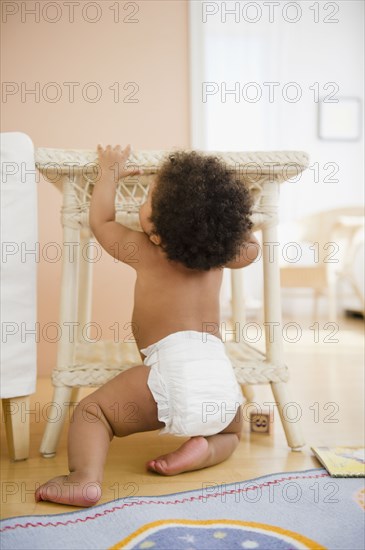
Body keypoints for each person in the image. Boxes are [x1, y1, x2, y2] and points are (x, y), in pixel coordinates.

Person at [35, 144, 260, 507]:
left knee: (94, 413)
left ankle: (84, 478)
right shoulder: (223, 256)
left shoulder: (145, 250)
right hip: (219, 379)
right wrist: (229, 225)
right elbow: (251, 247)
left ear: (156, 231)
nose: (142, 204)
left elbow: (102, 221)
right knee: (233, 432)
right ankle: (203, 450)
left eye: (148, 200)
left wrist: (108, 172)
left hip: (169, 373)